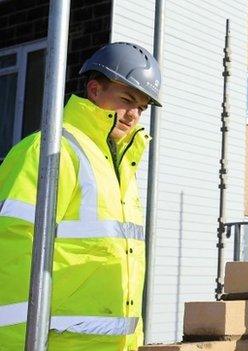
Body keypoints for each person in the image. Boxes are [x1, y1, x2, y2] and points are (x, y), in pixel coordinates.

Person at [0, 42, 161, 350]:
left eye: (141, 107)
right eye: (127, 99)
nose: (133, 115)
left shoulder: (120, 169)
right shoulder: (50, 150)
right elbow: (12, 251)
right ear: (94, 90)